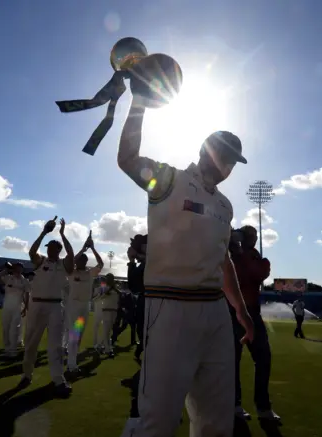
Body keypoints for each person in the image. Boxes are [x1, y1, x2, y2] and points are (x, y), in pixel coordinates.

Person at [117, 94, 254, 437]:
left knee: (217, 420)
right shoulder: (168, 181)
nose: (225, 165)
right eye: (222, 154)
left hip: (215, 313)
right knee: (159, 420)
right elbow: (128, 158)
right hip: (170, 305)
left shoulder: (225, 205)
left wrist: (239, 308)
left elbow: (222, 259)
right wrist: (140, 102)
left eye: (232, 161)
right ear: (204, 150)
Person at [229, 225, 280, 422]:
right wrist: (237, 253)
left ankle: (263, 406)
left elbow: (259, 274)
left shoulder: (253, 257)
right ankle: (235, 405)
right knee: (232, 361)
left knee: (264, 358)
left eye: (254, 235)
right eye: (249, 235)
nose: (254, 238)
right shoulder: (230, 256)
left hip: (252, 313)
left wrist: (243, 255)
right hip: (233, 312)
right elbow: (237, 278)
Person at [20, 217, 74, 396]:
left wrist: (62, 234)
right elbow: (32, 251)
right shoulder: (40, 261)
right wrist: (44, 232)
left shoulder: (63, 264)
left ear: (58, 250)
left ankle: (58, 380)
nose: (49, 250)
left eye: (53, 248)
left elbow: (71, 255)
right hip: (37, 305)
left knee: (56, 346)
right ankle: (26, 375)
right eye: (48, 248)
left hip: (55, 307)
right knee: (30, 344)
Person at [65, 232, 104, 373]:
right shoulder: (71, 272)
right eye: (79, 260)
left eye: (83, 261)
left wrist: (93, 248)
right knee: (74, 335)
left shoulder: (89, 273)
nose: (81, 262)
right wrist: (82, 248)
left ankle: (72, 361)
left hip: (84, 307)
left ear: (86, 262)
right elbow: (70, 261)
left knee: (78, 335)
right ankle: (71, 366)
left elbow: (101, 263)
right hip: (74, 305)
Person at [0, 262, 30, 358]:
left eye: (20, 268)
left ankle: (13, 350)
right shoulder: (8, 278)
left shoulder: (25, 281)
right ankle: (7, 349)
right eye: (16, 268)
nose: (18, 270)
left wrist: (26, 308)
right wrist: (6, 270)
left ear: (22, 270)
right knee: (6, 328)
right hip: (7, 307)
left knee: (14, 329)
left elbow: (27, 295)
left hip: (18, 307)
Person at [126, 234, 147, 361]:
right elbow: (133, 286)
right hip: (145, 300)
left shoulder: (152, 260)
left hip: (153, 301)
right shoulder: (144, 263)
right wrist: (132, 260)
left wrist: (135, 257)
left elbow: (134, 285)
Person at [100, 273, 121, 357]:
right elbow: (101, 296)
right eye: (109, 278)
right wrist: (110, 289)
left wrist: (114, 288)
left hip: (114, 311)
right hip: (106, 311)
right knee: (106, 331)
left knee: (108, 331)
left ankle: (101, 345)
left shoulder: (116, 288)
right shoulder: (104, 287)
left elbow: (120, 294)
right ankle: (108, 350)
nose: (110, 280)